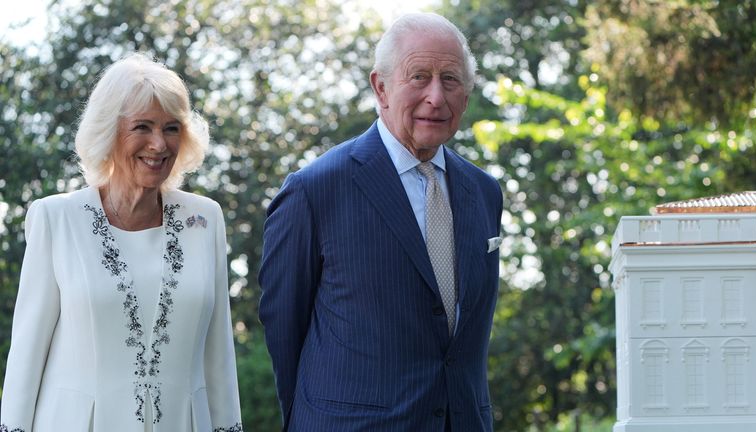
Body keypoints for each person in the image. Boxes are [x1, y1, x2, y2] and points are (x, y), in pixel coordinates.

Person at [259, 12, 503, 431]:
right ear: (381, 87)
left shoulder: (484, 192)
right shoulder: (314, 190)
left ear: (467, 93)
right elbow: (284, 331)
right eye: (419, 77)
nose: (436, 96)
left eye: (450, 79)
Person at [0, 53, 242, 432]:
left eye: (172, 128)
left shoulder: (205, 219)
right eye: (142, 127)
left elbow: (219, 356)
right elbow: (26, 356)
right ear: (109, 132)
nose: (159, 144)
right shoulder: (55, 218)